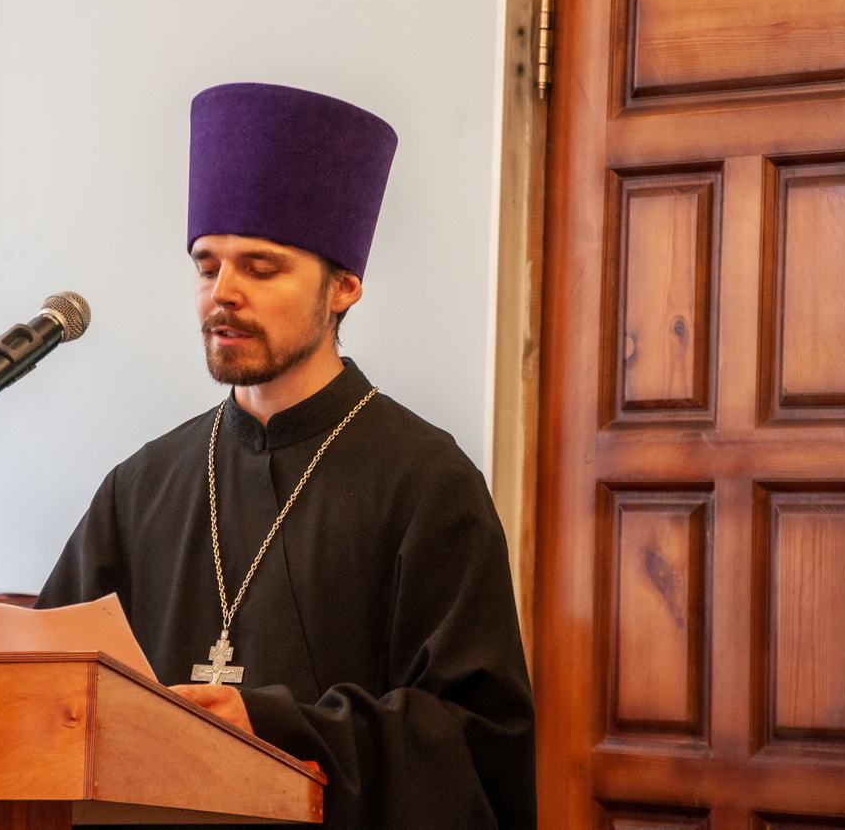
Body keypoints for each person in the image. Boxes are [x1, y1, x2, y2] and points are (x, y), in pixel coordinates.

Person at [36, 82, 536, 828]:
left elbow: (474, 743)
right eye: (207, 266)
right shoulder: (140, 487)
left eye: (261, 269)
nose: (223, 294)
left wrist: (275, 728)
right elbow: (48, 687)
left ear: (344, 287)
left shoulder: (428, 483)